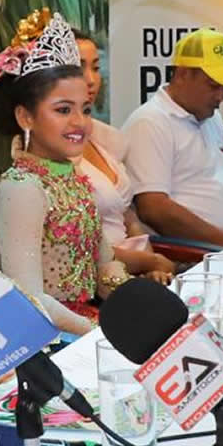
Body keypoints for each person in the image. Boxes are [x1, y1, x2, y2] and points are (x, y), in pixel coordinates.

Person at [0, 9, 128, 325]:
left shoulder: (72, 177)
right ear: (25, 117)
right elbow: (30, 300)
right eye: (63, 110)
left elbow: (104, 266)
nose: (79, 122)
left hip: (88, 326)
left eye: (86, 110)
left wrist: (136, 300)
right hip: (51, 341)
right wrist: (98, 331)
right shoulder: (21, 187)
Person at [121, 28, 223, 247]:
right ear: (182, 74)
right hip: (192, 256)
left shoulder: (213, 117)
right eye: (213, 86)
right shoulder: (150, 122)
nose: (221, 96)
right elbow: (154, 209)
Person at [72, 31, 175, 283]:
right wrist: (150, 261)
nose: (91, 80)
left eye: (95, 67)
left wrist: (151, 265)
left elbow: (127, 216)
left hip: (133, 272)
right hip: (94, 285)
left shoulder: (105, 141)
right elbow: (82, 250)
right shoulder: (48, 159)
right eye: (78, 68)